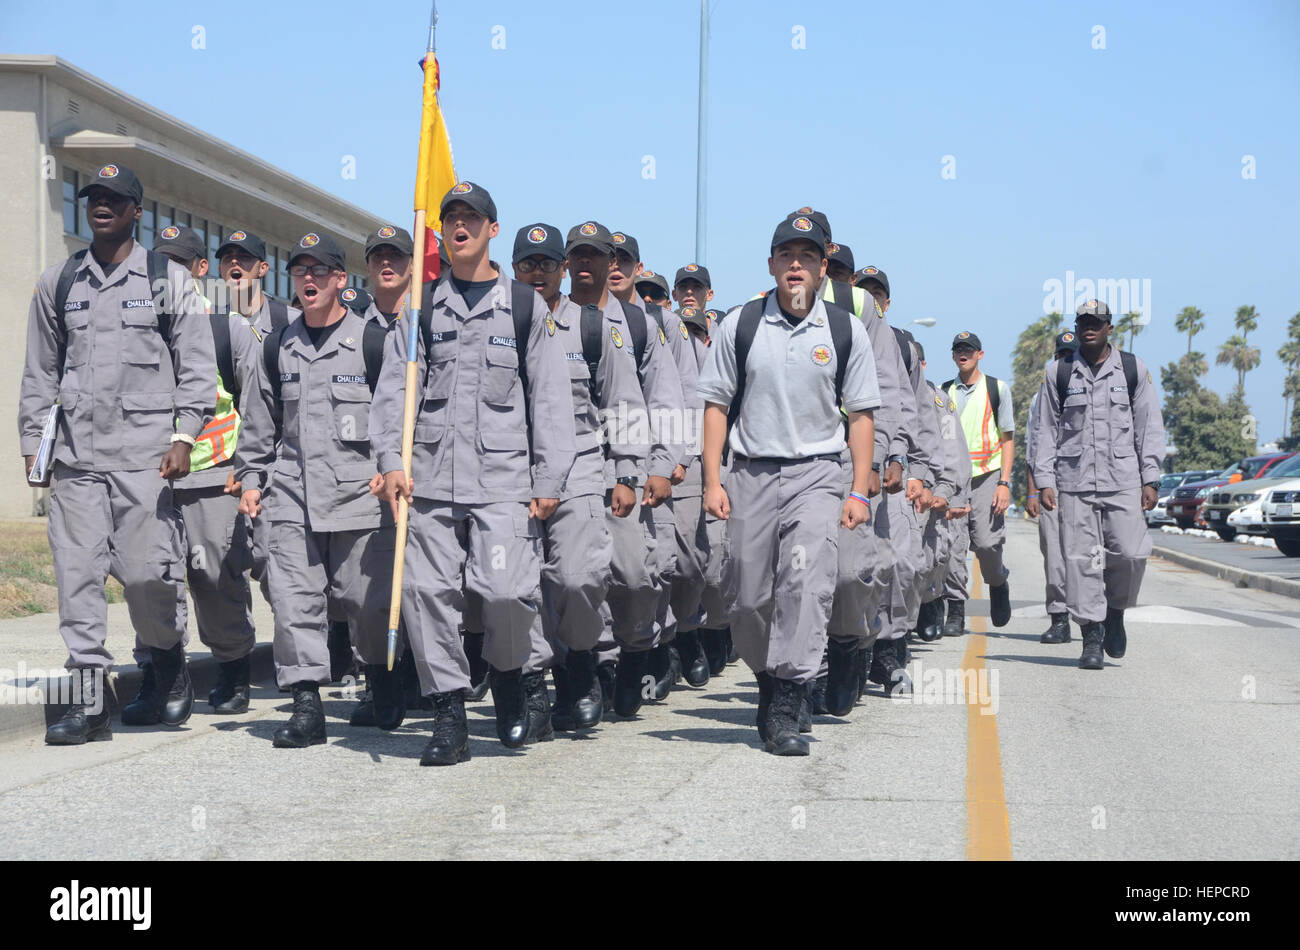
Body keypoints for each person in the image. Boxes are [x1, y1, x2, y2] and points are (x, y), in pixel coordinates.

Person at [371, 183, 576, 765]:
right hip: (430, 482)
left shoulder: (525, 307)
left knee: (506, 592)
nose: (460, 226)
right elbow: (393, 394)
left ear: (491, 229)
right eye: (451, 218)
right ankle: (449, 715)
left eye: (471, 218)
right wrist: (390, 463)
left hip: (504, 482)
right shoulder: (421, 306)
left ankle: (514, 684)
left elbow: (551, 400)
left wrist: (549, 479)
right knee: (427, 595)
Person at [20, 163, 216, 744]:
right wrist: (37, 450)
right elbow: (39, 375)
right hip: (78, 461)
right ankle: (89, 699)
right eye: (93, 198)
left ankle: (165, 663)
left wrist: (184, 437)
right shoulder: (58, 282)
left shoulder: (167, 282)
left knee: (145, 578)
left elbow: (197, 371)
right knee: (77, 577)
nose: (101, 206)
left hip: (146, 460)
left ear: (136, 211)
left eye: (114, 199)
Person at [697, 212, 880, 756]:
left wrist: (859, 490)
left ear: (824, 268)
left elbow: (863, 416)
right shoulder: (742, 324)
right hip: (750, 472)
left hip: (818, 476)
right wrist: (713, 479)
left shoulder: (844, 331)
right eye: (786, 255)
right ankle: (770, 681)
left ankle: (790, 694)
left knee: (806, 582)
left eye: (807, 257)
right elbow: (714, 406)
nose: (795, 265)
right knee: (748, 597)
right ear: (772, 264)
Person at [236, 230, 399, 748]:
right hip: (291, 493)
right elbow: (260, 424)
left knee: (364, 601)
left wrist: (392, 466)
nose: (308, 278)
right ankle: (306, 703)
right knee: (292, 600)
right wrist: (251, 479)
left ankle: (379, 678)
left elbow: (397, 417)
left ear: (339, 279)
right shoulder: (277, 345)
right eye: (299, 270)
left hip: (359, 495)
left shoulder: (374, 341)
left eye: (318, 270)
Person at [1031, 300, 1164, 669]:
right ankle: (1091, 636)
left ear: (1109, 328)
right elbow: (1044, 430)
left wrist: (1150, 477)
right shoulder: (1058, 371)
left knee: (1132, 553)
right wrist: (1043, 479)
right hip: (1073, 481)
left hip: (1123, 480)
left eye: (1097, 322)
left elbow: (1149, 425)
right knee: (1080, 561)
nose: (1089, 327)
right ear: (1077, 326)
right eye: (1083, 321)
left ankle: (1115, 612)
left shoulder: (1133, 369)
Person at [612, 232, 700, 694]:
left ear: (638, 266)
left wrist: (672, 460)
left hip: (647, 461)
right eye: (611, 259)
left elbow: (679, 395)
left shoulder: (659, 324)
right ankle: (600, 665)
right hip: (594, 460)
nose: (616, 268)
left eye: (624, 260)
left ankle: (654, 646)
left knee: (653, 565)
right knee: (591, 568)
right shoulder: (574, 317)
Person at [941, 330, 1015, 632]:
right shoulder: (944, 392)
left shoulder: (997, 389)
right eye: (958, 349)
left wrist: (1004, 483)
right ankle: (956, 611)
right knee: (953, 547)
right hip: (955, 479)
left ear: (980, 354)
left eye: (969, 350)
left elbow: (1008, 439)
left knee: (986, 544)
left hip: (988, 476)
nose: (964, 354)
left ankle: (998, 583)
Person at [1025, 331, 1080, 644]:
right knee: (1055, 554)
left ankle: (1094, 619)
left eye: (1071, 356)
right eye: (1061, 356)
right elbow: (1035, 445)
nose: (1066, 362)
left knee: (1089, 555)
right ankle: (1059, 618)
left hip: (1086, 485)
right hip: (1051, 486)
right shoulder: (1041, 395)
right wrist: (1033, 490)